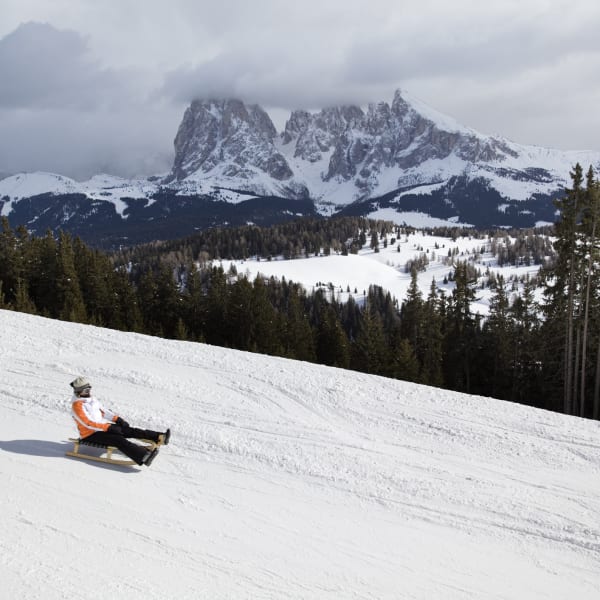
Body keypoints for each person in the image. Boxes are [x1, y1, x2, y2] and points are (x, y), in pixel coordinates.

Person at [70, 376, 170, 467]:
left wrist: (117, 419)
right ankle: (143, 457)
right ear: (78, 391)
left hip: (102, 428)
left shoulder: (91, 399)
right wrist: (108, 427)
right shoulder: (77, 406)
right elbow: (87, 423)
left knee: (128, 430)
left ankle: (159, 437)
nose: (88, 392)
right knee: (117, 439)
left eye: (89, 389)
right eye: (85, 390)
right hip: (90, 434)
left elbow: (104, 411)